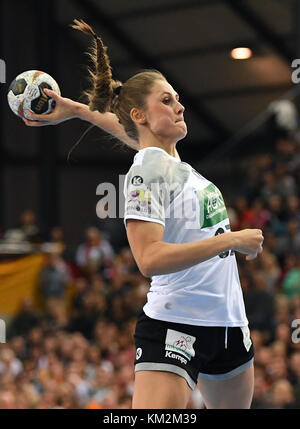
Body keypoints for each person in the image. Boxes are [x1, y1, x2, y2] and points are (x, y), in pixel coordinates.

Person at [22, 19, 264, 409]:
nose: (180, 105)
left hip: (229, 325)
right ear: (141, 115)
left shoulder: (170, 162)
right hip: (176, 325)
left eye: (177, 98)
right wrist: (231, 240)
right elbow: (148, 259)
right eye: (166, 100)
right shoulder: (147, 170)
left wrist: (77, 110)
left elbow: (134, 135)